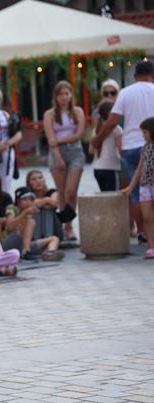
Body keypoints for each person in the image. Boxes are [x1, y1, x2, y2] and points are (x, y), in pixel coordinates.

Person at [92, 61, 154, 246]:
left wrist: (98, 139)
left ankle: (143, 233)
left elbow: (112, 121)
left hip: (131, 146)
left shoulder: (126, 92)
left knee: (137, 192)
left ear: (135, 76)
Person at [43, 80, 86, 241]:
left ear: (71, 95)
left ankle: (69, 225)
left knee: (71, 191)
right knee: (61, 192)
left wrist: (59, 141)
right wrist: (58, 157)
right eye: (60, 94)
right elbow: (50, 138)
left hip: (75, 151)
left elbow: (79, 134)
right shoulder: (49, 114)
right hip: (56, 153)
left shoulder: (77, 111)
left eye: (66, 93)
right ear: (56, 96)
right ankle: (64, 225)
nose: (63, 97)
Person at [2, 188, 65, 261]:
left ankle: (49, 253)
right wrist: (24, 214)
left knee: (54, 238)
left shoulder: (30, 211)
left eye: (30, 200)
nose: (28, 202)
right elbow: (9, 227)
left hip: (24, 245)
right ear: (18, 200)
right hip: (9, 244)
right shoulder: (12, 208)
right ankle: (26, 252)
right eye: (24, 199)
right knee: (30, 222)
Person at [123, 116, 154, 259]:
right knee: (147, 217)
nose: (143, 135)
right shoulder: (145, 148)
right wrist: (130, 187)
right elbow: (138, 169)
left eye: (145, 132)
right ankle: (151, 246)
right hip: (145, 185)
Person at [90, 100, 123, 191]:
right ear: (111, 113)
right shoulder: (117, 129)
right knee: (113, 198)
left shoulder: (96, 130)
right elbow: (121, 150)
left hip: (97, 168)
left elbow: (91, 151)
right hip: (111, 167)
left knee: (105, 197)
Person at [26, 170, 64, 241]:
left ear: (44, 180)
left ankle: (47, 237)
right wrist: (46, 200)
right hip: (33, 230)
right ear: (29, 183)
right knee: (35, 210)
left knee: (47, 210)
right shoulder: (27, 196)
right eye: (34, 179)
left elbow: (55, 203)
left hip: (55, 230)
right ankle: (39, 239)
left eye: (40, 178)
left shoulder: (52, 192)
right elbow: (28, 205)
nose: (38, 181)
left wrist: (42, 202)